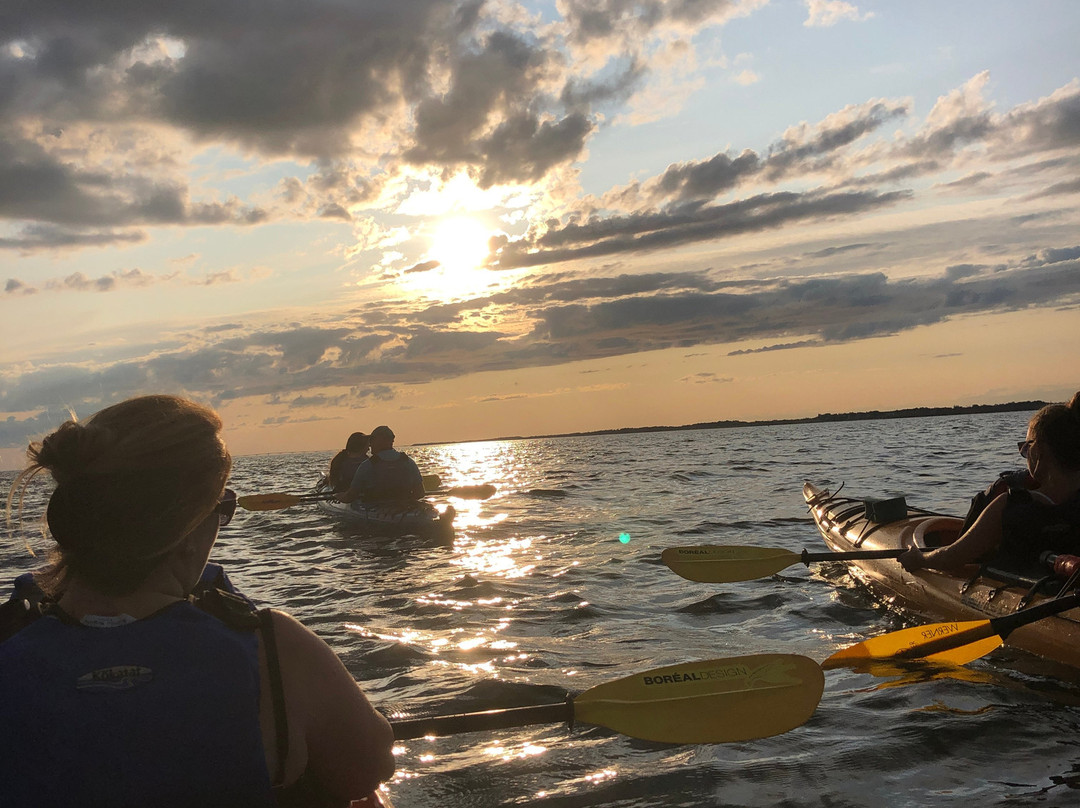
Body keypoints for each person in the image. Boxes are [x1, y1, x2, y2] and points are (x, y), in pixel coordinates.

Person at [0, 395, 395, 807]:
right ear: (187, 532)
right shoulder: (273, 649)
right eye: (222, 507)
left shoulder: (8, 645)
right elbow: (367, 768)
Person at [900, 391, 1080, 575]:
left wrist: (919, 559)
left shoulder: (1010, 506)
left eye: (1026, 448)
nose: (1025, 456)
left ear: (1040, 451)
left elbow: (952, 558)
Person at [336, 425, 425, 505]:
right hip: (404, 508)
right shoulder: (409, 462)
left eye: (372, 441)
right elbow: (420, 493)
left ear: (377, 441)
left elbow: (350, 497)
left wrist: (339, 496)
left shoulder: (367, 465)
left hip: (375, 510)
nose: (370, 444)